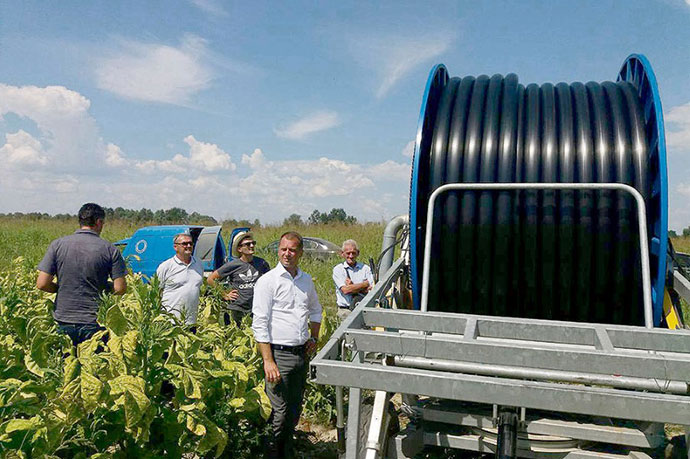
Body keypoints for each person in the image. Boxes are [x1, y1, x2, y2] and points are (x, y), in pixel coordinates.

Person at [252, 231, 322, 458]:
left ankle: (286, 450)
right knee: (279, 411)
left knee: (294, 408)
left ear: (300, 253)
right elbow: (260, 323)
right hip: (278, 356)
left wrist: (314, 337)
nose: (287, 254)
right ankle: (271, 453)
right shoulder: (268, 281)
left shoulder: (306, 280)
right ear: (278, 250)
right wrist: (268, 360)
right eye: (283, 249)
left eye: (292, 250)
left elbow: (315, 310)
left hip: (300, 354)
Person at [36, 203, 127, 346]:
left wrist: (61, 287)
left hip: (63, 319)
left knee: (66, 366)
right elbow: (120, 288)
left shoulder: (57, 245)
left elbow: (41, 284)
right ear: (98, 222)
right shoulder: (110, 249)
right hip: (94, 322)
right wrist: (103, 287)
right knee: (94, 365)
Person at [207, 231, 270, 327]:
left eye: (253, 243)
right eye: (248, 244)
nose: (252, 246)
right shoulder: (233, 265)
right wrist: (224, 294)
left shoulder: (262, 263)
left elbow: (269, 283)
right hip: (237, 309)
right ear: (239, 249)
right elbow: (210, 279)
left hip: (256, 309)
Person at [156, 233, 204, 325]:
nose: (188, 246)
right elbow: (157, 292)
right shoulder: (166, 266)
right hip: (171, 320)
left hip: (191, 321)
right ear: (175, 247)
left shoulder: (198, 264)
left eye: (190, 243)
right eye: (184, 244)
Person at [332, 239, 374, 320]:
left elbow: (372, 290)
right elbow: (345, 290)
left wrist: (352, 286)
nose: (351, 256)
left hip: (363, 309)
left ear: (358, 253)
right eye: (348, 253)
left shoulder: (365, 268)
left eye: (353, 253)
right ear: (342, 254)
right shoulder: (338, 269)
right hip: (345, 310)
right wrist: (364, 285)